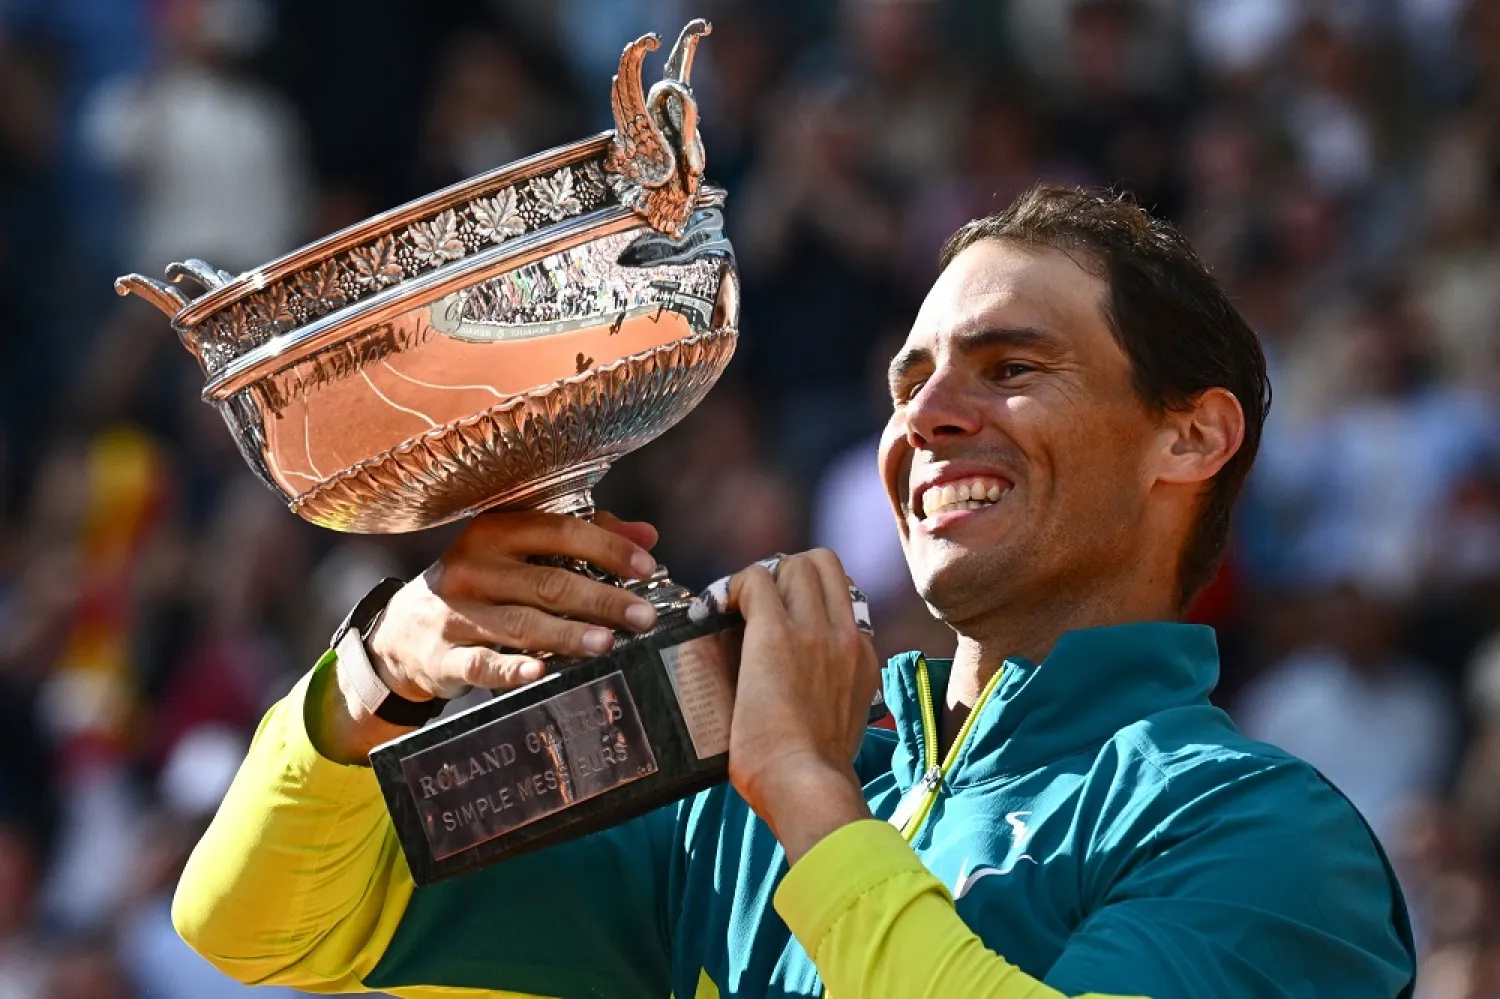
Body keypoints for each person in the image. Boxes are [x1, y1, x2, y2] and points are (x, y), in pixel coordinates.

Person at [171, 186, 1416, 998]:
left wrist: (811, 801)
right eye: (909, 380)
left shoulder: (1262, 837)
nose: (925, 418)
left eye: (1013, 365)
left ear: (1190, 438)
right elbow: (261, 927)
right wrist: (379, 669)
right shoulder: (730, 809)